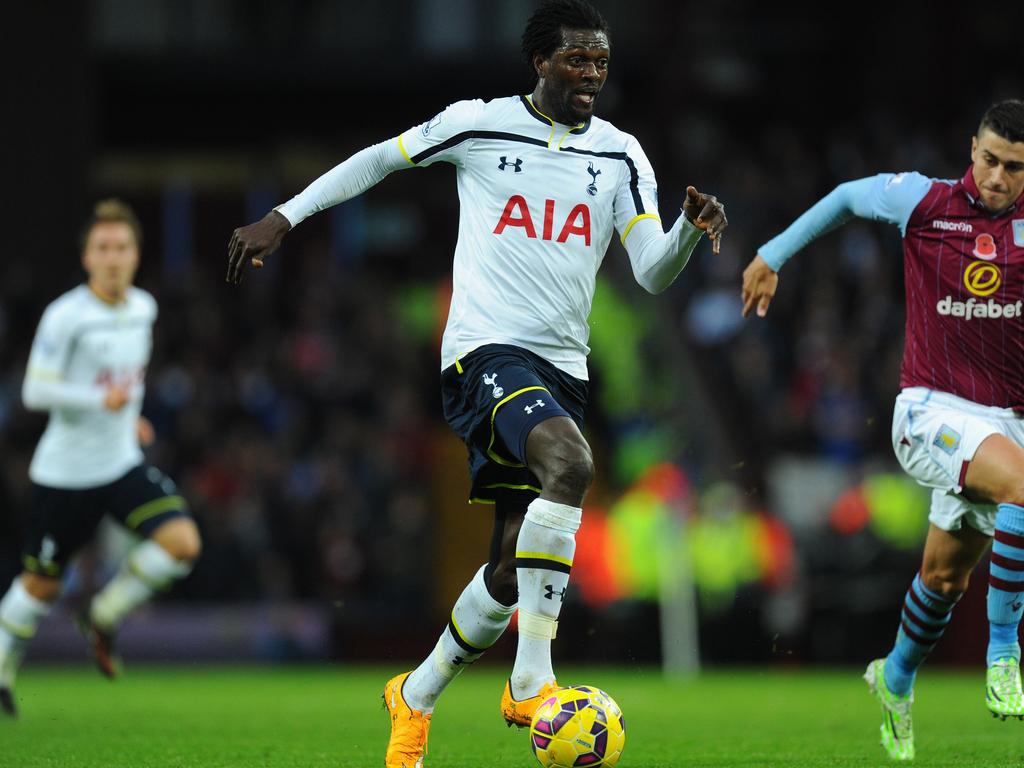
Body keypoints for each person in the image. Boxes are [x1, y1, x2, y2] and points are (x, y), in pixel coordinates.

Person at [227, 0, 726, 764]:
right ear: (540, 61)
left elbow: (653, 272)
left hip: (563, 367)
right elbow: (378, 159)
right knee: (573, 464)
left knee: (505, 570)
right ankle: (534, 679)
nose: (592, 73)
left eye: (600, 60)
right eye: (577, 59)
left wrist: (689, 231)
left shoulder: (622, 156)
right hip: (484, 353)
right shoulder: (479, 124)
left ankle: (416, 693)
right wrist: (284, 218)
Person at [742, 99, 1024, 761]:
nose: (998, 176)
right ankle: (1006, 652)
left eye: (1014, 167)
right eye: (990, 159)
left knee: (944, 579)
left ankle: (893, 677)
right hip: (929, 411)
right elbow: (843, 197)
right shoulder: (923, 203)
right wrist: (773, 254)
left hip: (1003, 421)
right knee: (1021, 488)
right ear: (972, 149)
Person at [0, 200, 202, 717]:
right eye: (102, 248)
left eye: (122, 248)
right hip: (66, 474)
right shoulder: (66, 316)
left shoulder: (143, 309)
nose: (113, 258)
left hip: (120, 462)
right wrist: (100, 403)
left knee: (182, 544)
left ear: (136, 255)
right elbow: (35, 392)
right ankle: (2, 669)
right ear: (87, 257)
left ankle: (104, 613)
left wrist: (128, 416)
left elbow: (124, 377)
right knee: (39, 587)